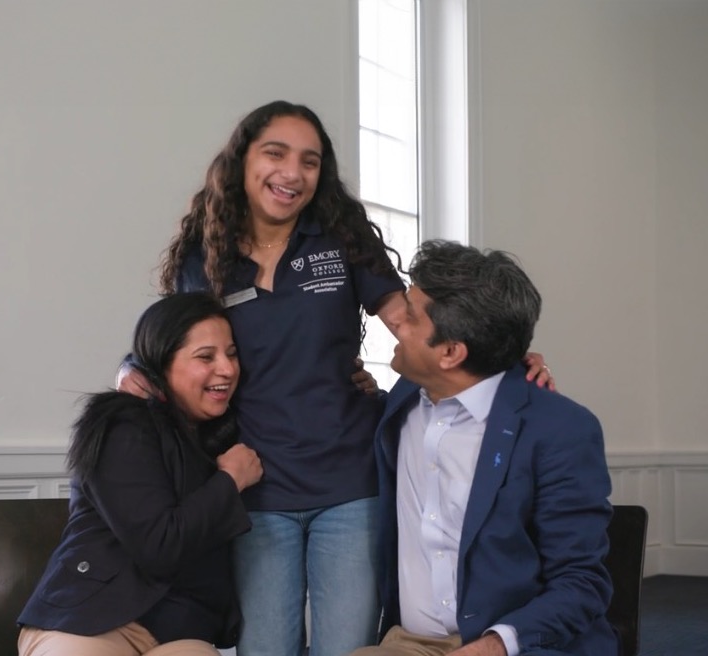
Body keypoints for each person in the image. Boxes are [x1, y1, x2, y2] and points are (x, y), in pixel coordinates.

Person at [138, 100, 555, 656]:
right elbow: (176, 345)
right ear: (242, 161)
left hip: (350, 484)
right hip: (257, 486)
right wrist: (131, 370)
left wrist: (501, 358)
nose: (292, 173)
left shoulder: (339, 235)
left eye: (310, 161)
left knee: (347, 651)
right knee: (265, 649)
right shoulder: (206, 253)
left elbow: (417, 323)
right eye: (275, 153)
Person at [358, 240, 618, 656]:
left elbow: (582, 584)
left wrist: (497, 644)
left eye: (409, 317)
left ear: (450, 352)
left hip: (517, 646)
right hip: (410, 644)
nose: (395, 323)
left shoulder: (560, 428)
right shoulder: (401, 403)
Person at [17, 292, 263, 656]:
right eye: (205, 357)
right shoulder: (124, 424)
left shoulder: (224, 432)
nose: (227, 369)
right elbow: (158, 546)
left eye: (231, 354)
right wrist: (230, 481)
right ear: (162, 363)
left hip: (177, 633)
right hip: (88, 619)